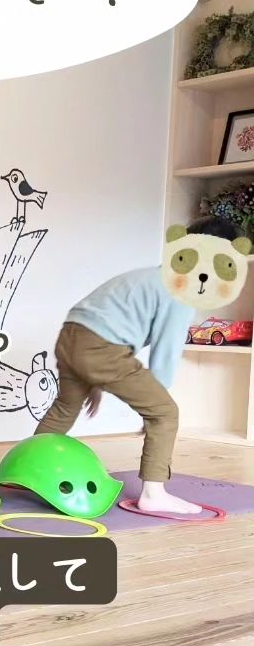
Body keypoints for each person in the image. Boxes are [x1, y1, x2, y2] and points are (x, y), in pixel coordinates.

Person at [35, 216, 246, 515]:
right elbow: (165, 354)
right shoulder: (180, 291)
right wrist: (154, 406)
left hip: (71, 334)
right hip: (99, 346)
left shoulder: (149, 276)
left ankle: (28, 471)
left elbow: (103, 316)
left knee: (64, 408)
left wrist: (90, 375)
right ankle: (153, 494)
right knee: (165, 413)